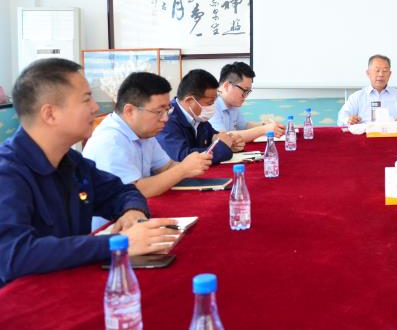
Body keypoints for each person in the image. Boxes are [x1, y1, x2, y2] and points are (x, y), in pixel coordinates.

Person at [0, 58, 179, 286]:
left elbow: (122, 191)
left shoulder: (72, 162)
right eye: (86, 99)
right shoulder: (7, 173)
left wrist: (132, 211)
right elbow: (14, 255)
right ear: (50, 114)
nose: (95, 107)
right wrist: (117, 243)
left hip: (68, 285)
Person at [83, 72, 212, 228]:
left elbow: (167, 166)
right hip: (112, 230)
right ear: (130, 111)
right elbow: (135, 189)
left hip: (140, 218)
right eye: (159, 112)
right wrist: (183, 169)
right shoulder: (110, 141)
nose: (166, 118)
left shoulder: (145, 133)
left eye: (168, 110)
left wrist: (193, 165)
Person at [157, 69, 239, 164]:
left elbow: (215, 137)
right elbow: (182, 156)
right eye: (209, 103)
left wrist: (232, 142)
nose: (213, 106)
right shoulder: (166, 120)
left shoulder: (198, 117)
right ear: (189, 101)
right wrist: (223, 147)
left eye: (214, 101)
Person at [209, 61, 285, 141]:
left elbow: (244, 126)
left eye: (248, 91)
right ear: (227, 86)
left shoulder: (232, 104)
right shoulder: (210, 105)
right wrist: (264, 129)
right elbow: (222, 138)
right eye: (244, 90)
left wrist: (265, 125)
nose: (246, 96)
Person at [337, 55, 397, 126]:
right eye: (377, 71)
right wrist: (348, 120)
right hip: (365, 136)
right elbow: (341, 118)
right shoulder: (357, 97)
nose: (381, 74)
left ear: (389, 74)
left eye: (385, 71)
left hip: (393, 136)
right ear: (368, 73)